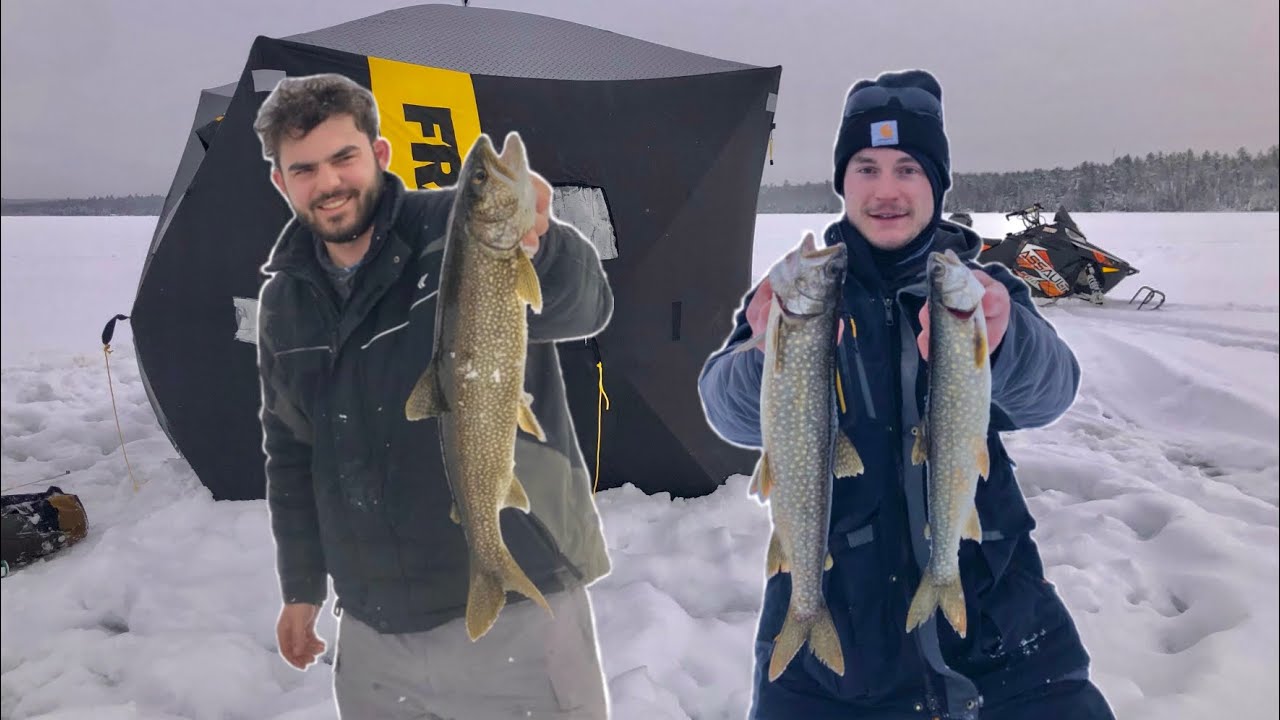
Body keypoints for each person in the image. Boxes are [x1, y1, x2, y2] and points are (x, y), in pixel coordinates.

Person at [698, 70, 1116, 719]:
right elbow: (726, 411)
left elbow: (1051, 392)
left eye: (908, 169)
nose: (886, 190)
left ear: (937, 184)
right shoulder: (798, 291)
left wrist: (1006, 342)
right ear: (843, 183)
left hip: (1005, 643)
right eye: (866, 168)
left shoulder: (983, 290)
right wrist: (763, 353)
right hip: (831, 668)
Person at [251, 73, 614, 719]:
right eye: (304, 169)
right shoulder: (285, 299)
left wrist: (545, 244)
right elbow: (292, 451)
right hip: (374, 631)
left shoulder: (456, 228)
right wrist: (302, 586)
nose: (328, 182)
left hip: (523, 610)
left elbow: (583, 306)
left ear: (380, 153)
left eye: (344, 157)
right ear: (281, 182)